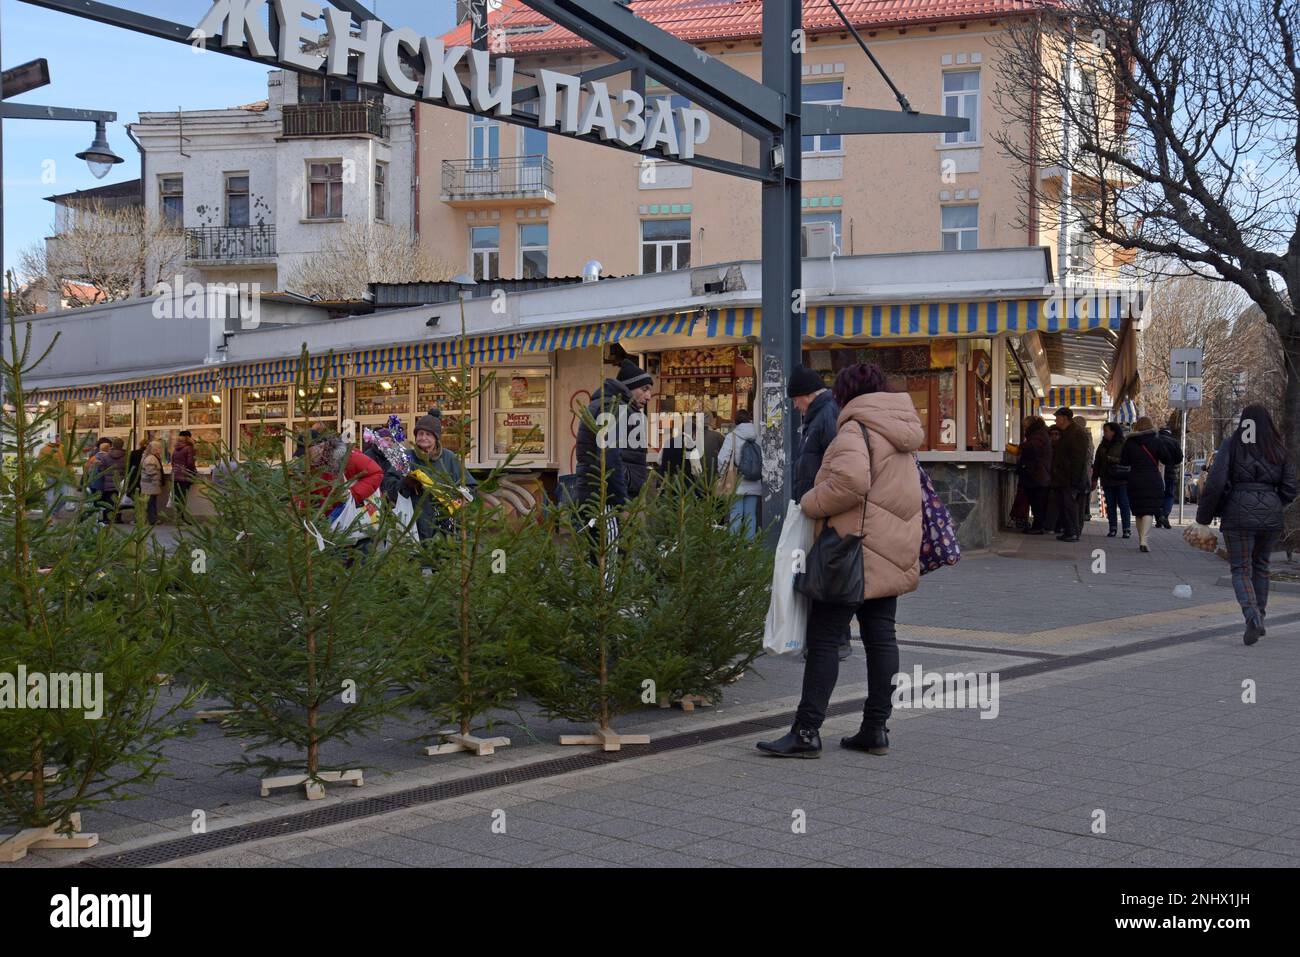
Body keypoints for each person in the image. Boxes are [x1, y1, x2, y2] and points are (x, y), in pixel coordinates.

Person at [757, 362, 923, 759]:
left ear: (848, 393)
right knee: (881, 637)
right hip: (891, 551)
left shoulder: (855, 428)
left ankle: (806, 731)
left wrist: (810, 502)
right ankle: (875, 728)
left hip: (850, 552)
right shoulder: (903, 434)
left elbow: (849, 483)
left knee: (825, 640)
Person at [1197, 405, 1297, 645]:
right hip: (1271, 518)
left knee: (1241, 569)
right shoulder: (1278, 447)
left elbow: (1216, 481)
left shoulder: (1232, 444)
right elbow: (1291, 487)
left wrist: (1203, 518)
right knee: (1261, 566)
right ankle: (1259, 616)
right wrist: (1273, 503)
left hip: (1237, 515)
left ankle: (1252, 616)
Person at [575, 359, 653, 511]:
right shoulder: (615, 408)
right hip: (607, 501)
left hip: (602, 496)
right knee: (610, 535)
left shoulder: (614, 406)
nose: (649, 396)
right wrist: (621, 501)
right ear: (628, 388)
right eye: (644, 389)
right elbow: (609, 456)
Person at [398, 408, 478, 540]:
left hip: (444, 527)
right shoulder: (406, 457)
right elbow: (389, 484)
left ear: (436, 438)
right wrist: (405, 484)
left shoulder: (449, 458)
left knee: (442, 558)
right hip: (412, 525)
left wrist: (461, 497)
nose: (423, 437)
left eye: (428, 434)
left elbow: (470, 486)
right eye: (420, 434)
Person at [1119, 416, 1172, 553]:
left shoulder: (1129, 442)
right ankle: (1144, 540)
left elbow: (1124, 461)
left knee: (1138, 511)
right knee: (1149, 510)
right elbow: (1166, 458)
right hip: (1152, 478)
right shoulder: (1156, 440)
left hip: (1134, 478)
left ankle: (1140, 539)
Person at [787, 364, 839, 502]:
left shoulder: (826, 415)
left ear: (808, 395)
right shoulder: (818, 416)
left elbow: (835, 463)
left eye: (795, 399)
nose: (795, 406)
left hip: (820, 504)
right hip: (814, 501)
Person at [1045, 407, 1089, 542]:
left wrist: (1075, 480)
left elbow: (1078, 459)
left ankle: (1073, 532)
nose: (1056, 420)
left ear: (1064, 418)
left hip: (1070, 478)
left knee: (1070, 506)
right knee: (1064, 506)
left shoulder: (1076, 433)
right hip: (1062, 477)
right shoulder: (1067, 432)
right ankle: (1069, 531)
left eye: (1057, 418)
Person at [716, 409, 762, 537]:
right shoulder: (757, 436)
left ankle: (734, 545)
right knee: (750, 515)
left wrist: (721, 473)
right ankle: (750, 545)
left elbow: (723, 458)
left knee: (736, 513)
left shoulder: (732, 436)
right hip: (754, 480)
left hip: (736, 481)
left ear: (736, 421)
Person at [1093, 422, 1132, 539]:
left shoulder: (1123, 444)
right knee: (1110, 505)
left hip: (1121, 479)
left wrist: (1112, 459)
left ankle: (1126, 529)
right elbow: (1097, 463)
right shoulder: (1102, 445)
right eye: (1104, 431)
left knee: (1124, 504)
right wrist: (1094, 478)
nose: (1104, 433)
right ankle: (1113, 528)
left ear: (1113, 431)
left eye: (1106, 431)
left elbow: (1128, 460)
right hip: (1107, 479)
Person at [1018, 415, 1053, 534]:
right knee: (1037, 501)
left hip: (1037, 473)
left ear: (1030, 425)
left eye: (1025, 426)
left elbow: (1032, 447)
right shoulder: (1040, 433)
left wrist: (1020, 447)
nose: (1024, 428)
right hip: (1038, 473)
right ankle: (1038, 525)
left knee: (1037, 502)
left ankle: (1038, 527)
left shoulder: (1038, 435)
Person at [1157, 413, 1184, 528]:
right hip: (1170, 473)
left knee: (1157, 495)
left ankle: (1159, 518)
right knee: (1169, 495)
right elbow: (1180, 458)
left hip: (1156, 473)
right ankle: (1165, 516)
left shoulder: (1155, 440)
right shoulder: (1174, 442)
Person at [171, 430, 197, 520]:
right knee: (182, 497)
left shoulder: (175, 448)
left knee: (177, 497)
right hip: (185, 475)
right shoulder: (189, 448)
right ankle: (181, 518)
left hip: (176, 475)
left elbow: (172, 462)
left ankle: (177, 517)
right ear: (189, 437)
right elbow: (190, 463)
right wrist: (193, 471)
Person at [139, 440, 165, 525]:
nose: (160, 449)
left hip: (149, 484)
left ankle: (152, 519)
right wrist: (156, 481)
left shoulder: (150, 457)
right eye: (159, 448)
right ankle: (152, 519)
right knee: (150, 503)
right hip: (150, 484)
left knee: (151, 502)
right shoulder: (151, 458)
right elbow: (151, 471)